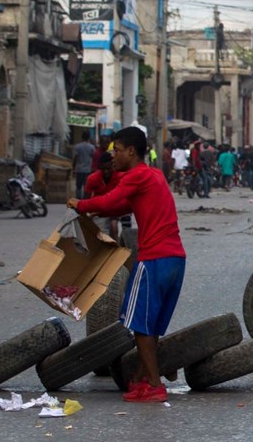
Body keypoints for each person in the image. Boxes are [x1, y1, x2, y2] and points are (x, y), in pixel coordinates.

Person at [68, 126, 186, 404]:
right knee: (151, 325)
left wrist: (80, 204)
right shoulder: (153, 175)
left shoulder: (136, 175)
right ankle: (140, 380)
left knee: (141, 326)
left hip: (153, 259)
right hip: (175, 259)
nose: (113, 156)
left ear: (131, 151)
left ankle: (154, 385)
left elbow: (111, 199)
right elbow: (120, 206)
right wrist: (96, 210)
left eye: (117, 150)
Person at [83, 152, 123, 239]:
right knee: (102, 233)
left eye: (108, 169)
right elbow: (86, 198)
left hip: (114, 208)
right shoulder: (93, 178)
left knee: (114, 227)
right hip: (98, 209)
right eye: (103, 169)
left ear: (112, 166)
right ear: (100, 168)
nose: (106, 172)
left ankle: (116, 247)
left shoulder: (119, 177)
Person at [72, 131, 95, 199]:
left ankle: (78, 200)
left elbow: (75, 158)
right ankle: (85, 200)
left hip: (79, 169)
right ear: (89, 137)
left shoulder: (77, 146)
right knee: (86, 186)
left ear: (82, 137)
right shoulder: (91, 147)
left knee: (78, 186)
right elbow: (93, 158)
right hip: (88, 170)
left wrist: (73, 167)